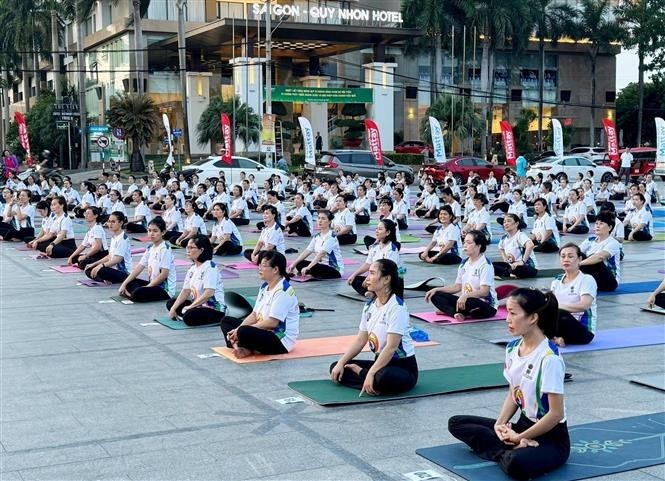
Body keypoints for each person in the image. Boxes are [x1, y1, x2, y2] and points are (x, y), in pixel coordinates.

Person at [448, 288, 569, 481]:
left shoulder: (549, 358)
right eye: (508, 312)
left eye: (513, 313)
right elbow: (514, 394)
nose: (507, 318)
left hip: (550, 437)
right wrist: (500, 424)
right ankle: (511, 448)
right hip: (521, 425)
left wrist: (517, 437)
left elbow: (556, 414)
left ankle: (510, 450)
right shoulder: (512, 348)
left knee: (516, 464)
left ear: (532, 318)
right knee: (456, 423)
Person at [331, 258, 418, 395]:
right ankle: (370, 382)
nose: (367, 278)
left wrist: (369, 373)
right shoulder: (370, 305)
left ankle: (364, 375)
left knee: (382, 378)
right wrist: (341, 362)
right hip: (380, 364)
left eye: (372, 273)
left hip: (402, 367)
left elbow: (391, 348)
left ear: (386, 279)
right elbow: (361, 339)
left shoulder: (396, 307)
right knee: (336, 368)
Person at [221, 251, 299, 358]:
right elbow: (254, 315)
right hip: (262, 331)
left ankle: (243, 346)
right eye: (259, 265)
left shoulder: (283, 291)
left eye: (263, 266)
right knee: (227, 322)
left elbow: (272, 323)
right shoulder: (264, 287)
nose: (259, 268)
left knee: (243, 331)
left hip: (279, 339)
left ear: (275, 269)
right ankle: (245, 347)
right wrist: (237, 328)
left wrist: (240, 330)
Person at [425, 230, 498, 320]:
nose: (465, 245)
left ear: (479, 246)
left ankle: (450, 310)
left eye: (469, 243)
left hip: (484, 304)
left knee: (472, 303)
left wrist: (465, 296)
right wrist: (437, 289)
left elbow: (484, 292)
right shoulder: (464, 263)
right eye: (464, 242)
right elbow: (457, 286)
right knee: (436, 295)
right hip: (464, 301)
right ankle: (456, 313)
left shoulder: (485, 265)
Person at [165, 235, 228, 326]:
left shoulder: (210, 267)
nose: (188, 250)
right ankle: (186, 312)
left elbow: (209, 293)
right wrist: (173, 309)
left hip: (213, 309)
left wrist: (190, 307)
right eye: (187, 247)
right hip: (198, 305)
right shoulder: (192, 268)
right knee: (171, 303)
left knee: (189, 317)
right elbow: (185, 290)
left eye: (191, 248)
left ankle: (187, 314)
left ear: (201, 250)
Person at [117, 217, 177, 302]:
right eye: (149, 230)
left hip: (164, 290)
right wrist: (124, 284)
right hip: (152, 284)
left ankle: (132, 295)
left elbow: (164, 275)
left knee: (139, 292)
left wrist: (147, 288)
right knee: (128, 281)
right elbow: (139, 267)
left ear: (163, 232)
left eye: (155, 231)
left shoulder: (165, 249)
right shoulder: (150, 248)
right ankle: (132, 294)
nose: (151, 234)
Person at [551, 243, 597, 346]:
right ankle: (557, 338)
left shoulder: (586, 279)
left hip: (583, 331)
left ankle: (555, 338)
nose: (566, 259)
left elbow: (584, 305)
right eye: (563, 256)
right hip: (561, 322)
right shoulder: (556, 280)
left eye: (570, 256)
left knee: (559, 313)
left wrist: (558, 307)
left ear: (580, 259)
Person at [348, 219, 403, 297]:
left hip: (389, 279)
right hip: (377, 277)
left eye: (380, 229)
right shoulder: (374, 247)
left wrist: (369, 277)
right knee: (355, 280)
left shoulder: (392, 249)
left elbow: (387, 271)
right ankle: (374, 292)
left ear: (388, 232)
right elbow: (368, 263)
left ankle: (374, 292)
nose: (377, 231)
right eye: (376, 228)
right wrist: (353, 274)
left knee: (382, 279)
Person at [287, 210, 343, 279]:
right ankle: (311, 274)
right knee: (299, 263)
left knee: (315, 267)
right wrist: (293, 264)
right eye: (319, 218)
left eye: (323, 219)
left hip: (334, 269)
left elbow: (321, 254)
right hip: (321, 265)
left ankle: (311, 274)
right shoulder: (317, 236)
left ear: (329, 221)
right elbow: (307, 251)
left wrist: (308, 267)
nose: (320, 221)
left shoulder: (331, 237)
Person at [85, 211, 134, 284]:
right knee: (88, 269)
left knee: (101, 270)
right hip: (113, 269)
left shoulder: (123, 239)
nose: (110, 224)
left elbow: (117, 259)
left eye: (113, 222)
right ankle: (105, 280)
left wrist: (100, 266)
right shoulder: (114, 237)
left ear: (120, 223)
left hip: (124, 273)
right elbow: (109, 256)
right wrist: (94, 264)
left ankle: (106, 279)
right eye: (109, 221)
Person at [579, 210, 621, 292]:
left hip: (609, 282)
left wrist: (579, 263)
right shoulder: (590, 240)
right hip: (594, 277)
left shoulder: (613, 242)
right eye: (596, 224)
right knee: (576, 253)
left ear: (609, 227)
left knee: (594, 258)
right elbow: (576, 250)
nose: (597, 226)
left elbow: (600, 257)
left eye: (601, 224)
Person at [494, 214, 539, 279]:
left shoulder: (520, 235)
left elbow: (530, 245)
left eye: (508, 221)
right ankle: (510, 273)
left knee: (518, 269)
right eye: (504, 222)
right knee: (490, 265)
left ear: (516, 224)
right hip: (512, 266)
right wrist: (505, 259)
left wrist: (522, 261)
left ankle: (508, 273)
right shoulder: (504, 238)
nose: (506, 224)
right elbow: (501, 248)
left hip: (526, 266)